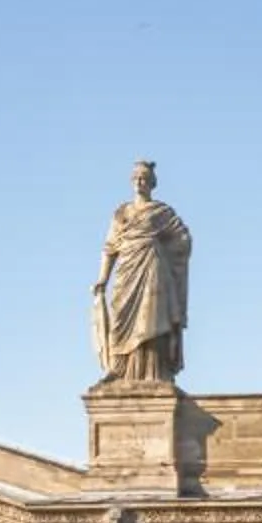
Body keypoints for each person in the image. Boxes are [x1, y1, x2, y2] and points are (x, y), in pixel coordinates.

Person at [92, 161, 191, 383]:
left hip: (152, 268)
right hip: (126, 269)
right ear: (131, 181)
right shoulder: (121, 213)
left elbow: (183, 239)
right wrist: (103, 279)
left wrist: (164, 252)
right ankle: (118, 368)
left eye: (144, 178)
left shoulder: (162, 212)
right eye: (136, 177)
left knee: (151, 319)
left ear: (152, 183)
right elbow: (110, 248)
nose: (140, 181)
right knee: (120, 317)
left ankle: (154, 372)